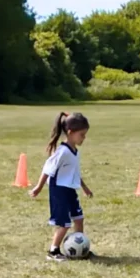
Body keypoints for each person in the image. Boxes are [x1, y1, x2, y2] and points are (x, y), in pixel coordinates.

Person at [30, 112, 93, 262]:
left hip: (69, 189)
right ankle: (53, 251)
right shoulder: (63, 152)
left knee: (79, 219)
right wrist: (38, 187)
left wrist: (85, 188)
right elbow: (48, 169)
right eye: (82, 135)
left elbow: (74, 173)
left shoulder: (74, 151)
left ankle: (81, 249)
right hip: (59, 190)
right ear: (70, 132)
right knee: (64, 223)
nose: (84, 138)